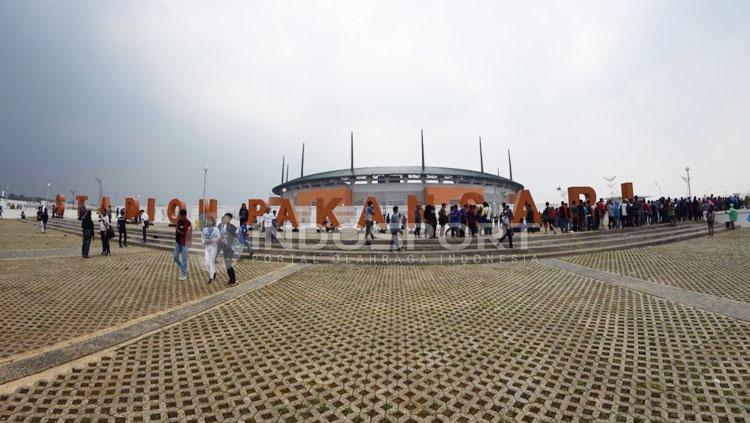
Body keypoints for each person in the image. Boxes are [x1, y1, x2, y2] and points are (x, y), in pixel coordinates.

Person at [218, 213, 240, 286]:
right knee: (227, 263)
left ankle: (234, 280)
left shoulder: (232, 227)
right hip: (225, 247)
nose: (224, 219)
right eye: (223, 217)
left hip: (230, 248)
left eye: (226, 218)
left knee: (228, 263)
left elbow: (236, 238)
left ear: (229, 219)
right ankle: (231, 279)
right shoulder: (221, 226)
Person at [201, 216, 220, 283]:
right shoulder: (204, 229)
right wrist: (204, 241)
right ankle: (214, 271)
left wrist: (211, 240)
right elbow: (202, 236)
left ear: (213, 222)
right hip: (207, 247)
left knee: (211, 262)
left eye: (210, 221)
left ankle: (211, 277)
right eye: (207, 220)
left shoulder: (216, 229)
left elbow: (218, 237)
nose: (208, 222)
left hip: (213, 247)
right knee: (207, 263)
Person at [173, 208, 191, 280]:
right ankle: (184, 268)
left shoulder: (188, 223)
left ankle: (184, 274)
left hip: (185, 243)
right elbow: (177, 229)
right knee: (175, 257)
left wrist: (178, 230)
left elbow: (187, 234)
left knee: (184, 259)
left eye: (180, 216)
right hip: (178, 242)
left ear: (184, 216)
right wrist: (177, 229)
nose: (179, 217)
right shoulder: (179, 221)